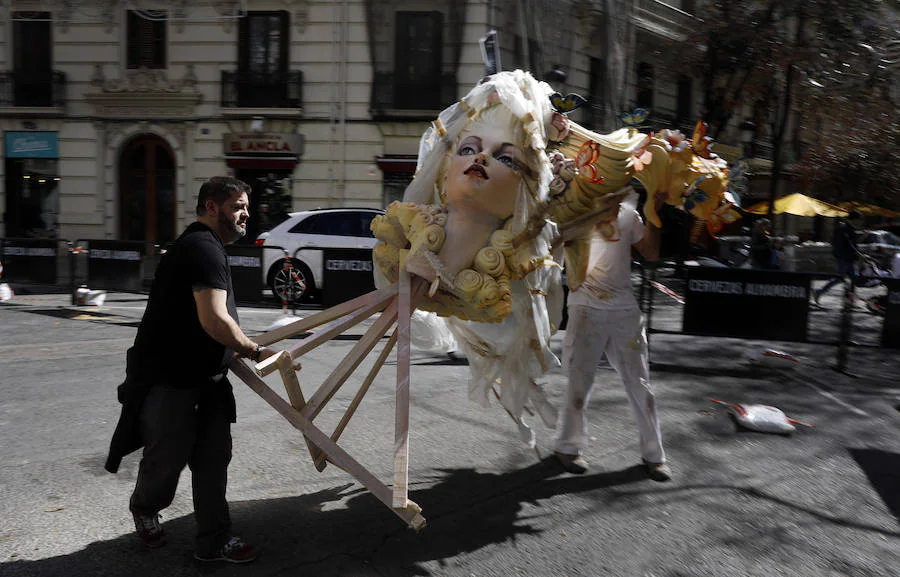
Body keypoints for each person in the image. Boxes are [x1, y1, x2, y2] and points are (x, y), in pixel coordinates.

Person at [105, 177, 275, 563]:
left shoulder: (209, 247)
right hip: (172, 381)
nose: (245, 213)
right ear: (211, 207)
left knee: (214, 459)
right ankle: (145, 507)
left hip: (208, 381)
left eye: (246, 207)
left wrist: (232, 354)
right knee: (166, 461)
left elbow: (211, 324)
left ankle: (214, 540)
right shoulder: (201, 247)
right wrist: (253, 349)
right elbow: (214, 319)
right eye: (238, 206)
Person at [554, 190, 672, 482]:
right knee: (579, 382)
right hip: (585, 305)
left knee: (641, 383)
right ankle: (568, 447)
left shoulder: (628, 213)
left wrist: (655, 211)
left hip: (623, 306)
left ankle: (655, 456)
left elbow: (651, 252)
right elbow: (553, 242)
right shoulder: (572, 206)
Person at [814, 210, 862, 304]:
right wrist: (857, 253)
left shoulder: (849, 228)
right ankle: (818, 292)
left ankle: (849, 299)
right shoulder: (845, 228)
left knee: (853, 278)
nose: (859, 222)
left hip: (849, 258)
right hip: (844, 258)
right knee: (840, 278)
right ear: (854, 219)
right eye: (858, 220)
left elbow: (852, 243)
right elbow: (849, 244)